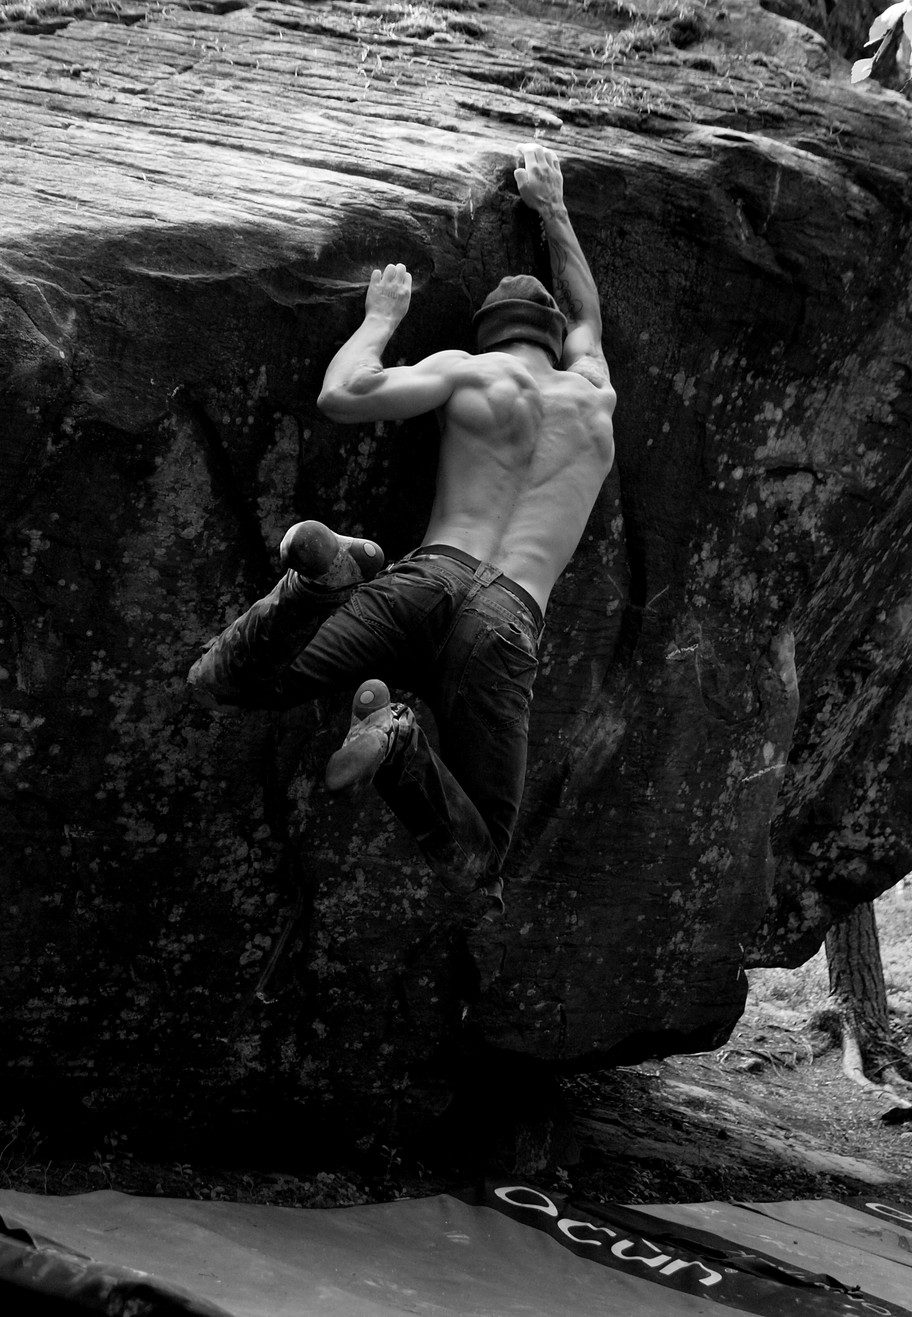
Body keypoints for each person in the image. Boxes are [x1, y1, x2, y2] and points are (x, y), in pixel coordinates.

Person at [188, 144, 615, 908]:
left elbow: (342, 394)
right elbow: (587, 313)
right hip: (508, 619)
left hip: (428, 576)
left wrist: (380, 319)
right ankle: (396, 742)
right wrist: (553, 206)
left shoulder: (468, 371)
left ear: (490, 334)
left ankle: (320, 582)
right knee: (481, 860)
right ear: (555, 339)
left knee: (223, 681)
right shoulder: (591, 394)